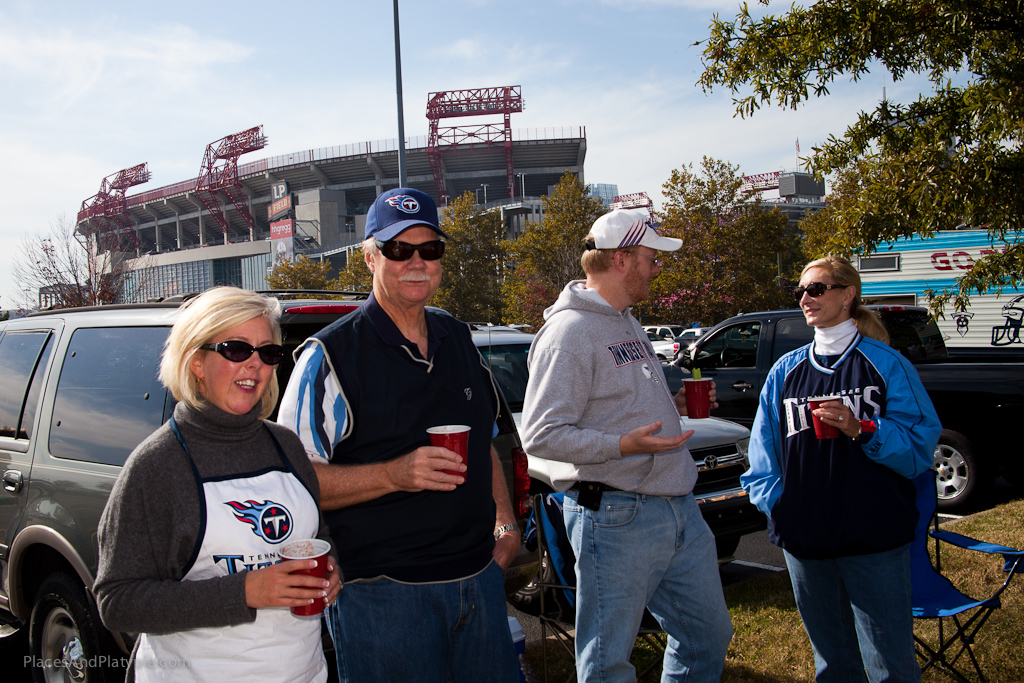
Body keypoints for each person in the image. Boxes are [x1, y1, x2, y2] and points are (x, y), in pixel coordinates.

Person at [276, 187, 521, 682]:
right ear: (370, 258)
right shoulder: (329, 356)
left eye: (429, 249)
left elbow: (484, 442)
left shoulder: (458, 338)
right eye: (397, 249)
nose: (416, 262)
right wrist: (394, 474)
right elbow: (292, 482)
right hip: (384, 598)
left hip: (479, 581)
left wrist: (506, 525)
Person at [521, 208, 734, 683]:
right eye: (651, 258)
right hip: (617, 516)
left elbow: (618, 405)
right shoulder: (569, 332)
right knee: (608, 663)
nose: (657, 269)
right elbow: (540, 434)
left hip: (677, 506)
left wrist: (673, 404)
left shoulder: (627, 321)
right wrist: (622, 445)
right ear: (621, 259)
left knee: (706, 636)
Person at [95, 287, 342, 682]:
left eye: (268, 352)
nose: (255, 365)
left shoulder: (286, 446)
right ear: (196, 362)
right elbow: (118, 601)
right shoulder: (157, 464)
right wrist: (243, 592)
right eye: (236, 349)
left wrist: (331, 569)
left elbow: (318, 535)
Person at [742, 255, 941, 683]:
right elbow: (761, 459)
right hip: (806, 541)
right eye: (800, 291)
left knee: (890, 666)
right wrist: (782, 508)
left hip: (874, 536)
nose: (805, 298)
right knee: (833, 665)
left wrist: (863, 429)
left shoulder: (887, 364)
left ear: (848, 294)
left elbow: (919, 449)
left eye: (816, 289)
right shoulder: (784, 371)